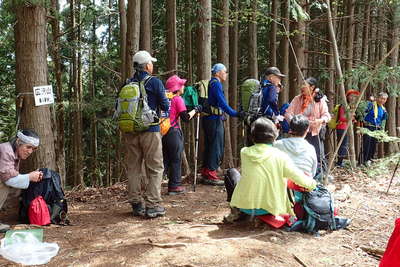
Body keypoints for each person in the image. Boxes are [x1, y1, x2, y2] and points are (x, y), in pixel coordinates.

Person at [230, 117, 317, 219]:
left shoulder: (244, 152)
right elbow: (300, 179)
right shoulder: (281, 156)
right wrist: (314, 185)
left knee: (232, 173)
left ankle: (236, 212)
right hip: (272, 208)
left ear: (252, 137)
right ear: (274, 136)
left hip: (245, 206)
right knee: (283, 178)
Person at [124, 50, 169, 218]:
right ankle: (153, 205)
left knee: (134, 167)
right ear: (147, 66)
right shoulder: (155, 82)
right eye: (151, 63)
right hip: (150, 130)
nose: (153, 65)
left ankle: (136, 203)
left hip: (130, 132)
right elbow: (165, 106)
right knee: (155, 167)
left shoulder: (127, 83)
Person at [201, 63, 245, 186]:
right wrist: (236, 114)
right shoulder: (216, 84)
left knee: (210, 145)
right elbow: (222, 103)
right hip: (213, 119)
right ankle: (211, 174)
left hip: (210, 118)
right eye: (224, 71)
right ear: (218, 73)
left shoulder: (211, 84)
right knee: (216, 145)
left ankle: (206, 171)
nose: (226, 74)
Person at [163, 75, 201, 195]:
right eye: (182, 85)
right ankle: (174, 186)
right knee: (175, 159)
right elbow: (185, 118)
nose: (183, 86)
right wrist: (196, 110)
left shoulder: (165, 98)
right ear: (177, 87)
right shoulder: (177, 99)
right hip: (173, 132)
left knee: (165, 160)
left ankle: (155, 186)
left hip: (163, 132)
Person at [0, 130, 43, 232]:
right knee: (3, 184)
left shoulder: (15, 152)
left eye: (33, 149)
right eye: (28, 147)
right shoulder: (6, 150)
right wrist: (29, 177)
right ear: (18, 142)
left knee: (18, 190)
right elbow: (8, 179)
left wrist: (30, 178)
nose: (30, 151)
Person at [285, 77, 331, 173]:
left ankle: (321, 178)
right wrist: (295, 122)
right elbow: (288, 113)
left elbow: (327, 116)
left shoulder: (320, 100)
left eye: (304, 85)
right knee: (299, 154)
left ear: (312, 87)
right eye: (302, 84)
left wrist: (319, 120)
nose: (302, 87)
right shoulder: (297, 99)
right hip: (299, 132)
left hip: (314, 132)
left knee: (318, 155)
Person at [361, 92, 388, 165]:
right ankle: (363, 161)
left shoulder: (383, 109)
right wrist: (363, 121)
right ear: (378, 98)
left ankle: (370, 160)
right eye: (381, 98)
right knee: (366, 144)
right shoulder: (370, 105)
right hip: (368, 127)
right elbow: (361, 113)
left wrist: (382, 131)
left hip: (377, 129)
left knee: (373, 145)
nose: (382, 100)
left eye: (384, 99)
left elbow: (383, 120)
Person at [335, 90, 360, 167]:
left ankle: (340, 161)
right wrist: (351, 116)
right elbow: (342, 118)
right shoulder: (344, 106)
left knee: (344, 144)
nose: (353, 98)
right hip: (341, 127)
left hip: (347, 127)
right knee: (343, 144)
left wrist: (353, 118)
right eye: (351, 96)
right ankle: (339, 162)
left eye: (355, 96)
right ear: (347, 96)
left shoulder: (350, 106)